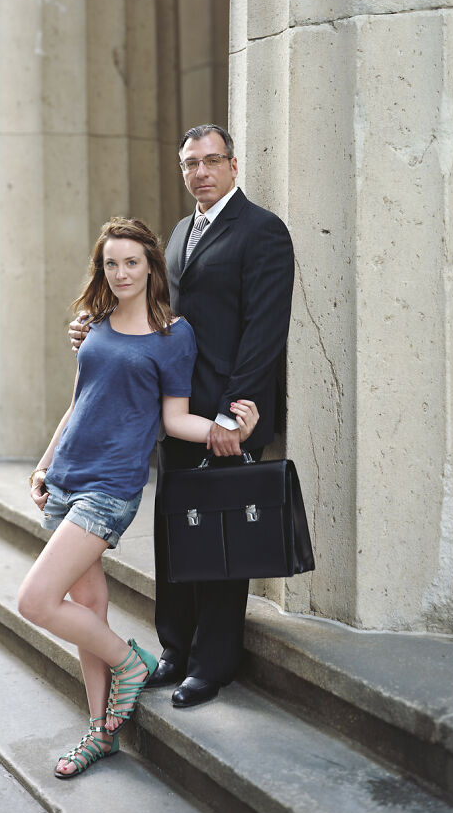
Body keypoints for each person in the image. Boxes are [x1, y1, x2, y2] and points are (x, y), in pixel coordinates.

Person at [19, 217, 259, 779]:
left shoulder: (174, 334)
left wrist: (229, 430)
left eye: (131, 262)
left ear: (151, 266)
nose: (121, 272)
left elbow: (175, 419)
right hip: (67, 477)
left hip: (110, 488)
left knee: (35, 601)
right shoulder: (95, 324)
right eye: (111, 263)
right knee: (87, 610)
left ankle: (131, 663)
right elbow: (80, 402)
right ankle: (101, 733)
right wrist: (45, 464)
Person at [70, 124, 294, 709]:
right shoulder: (176, 234)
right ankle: (173, 648)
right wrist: (95, 327)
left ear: (233, 166)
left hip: (226, 416)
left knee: (222, 543)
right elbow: (151, 308)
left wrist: (231, 417)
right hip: (172, 409)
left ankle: (212, 664)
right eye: (191, 163)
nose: (201, 172)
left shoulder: (263, 231)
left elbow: (264, 331)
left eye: (211, 161)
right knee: (176, 534)